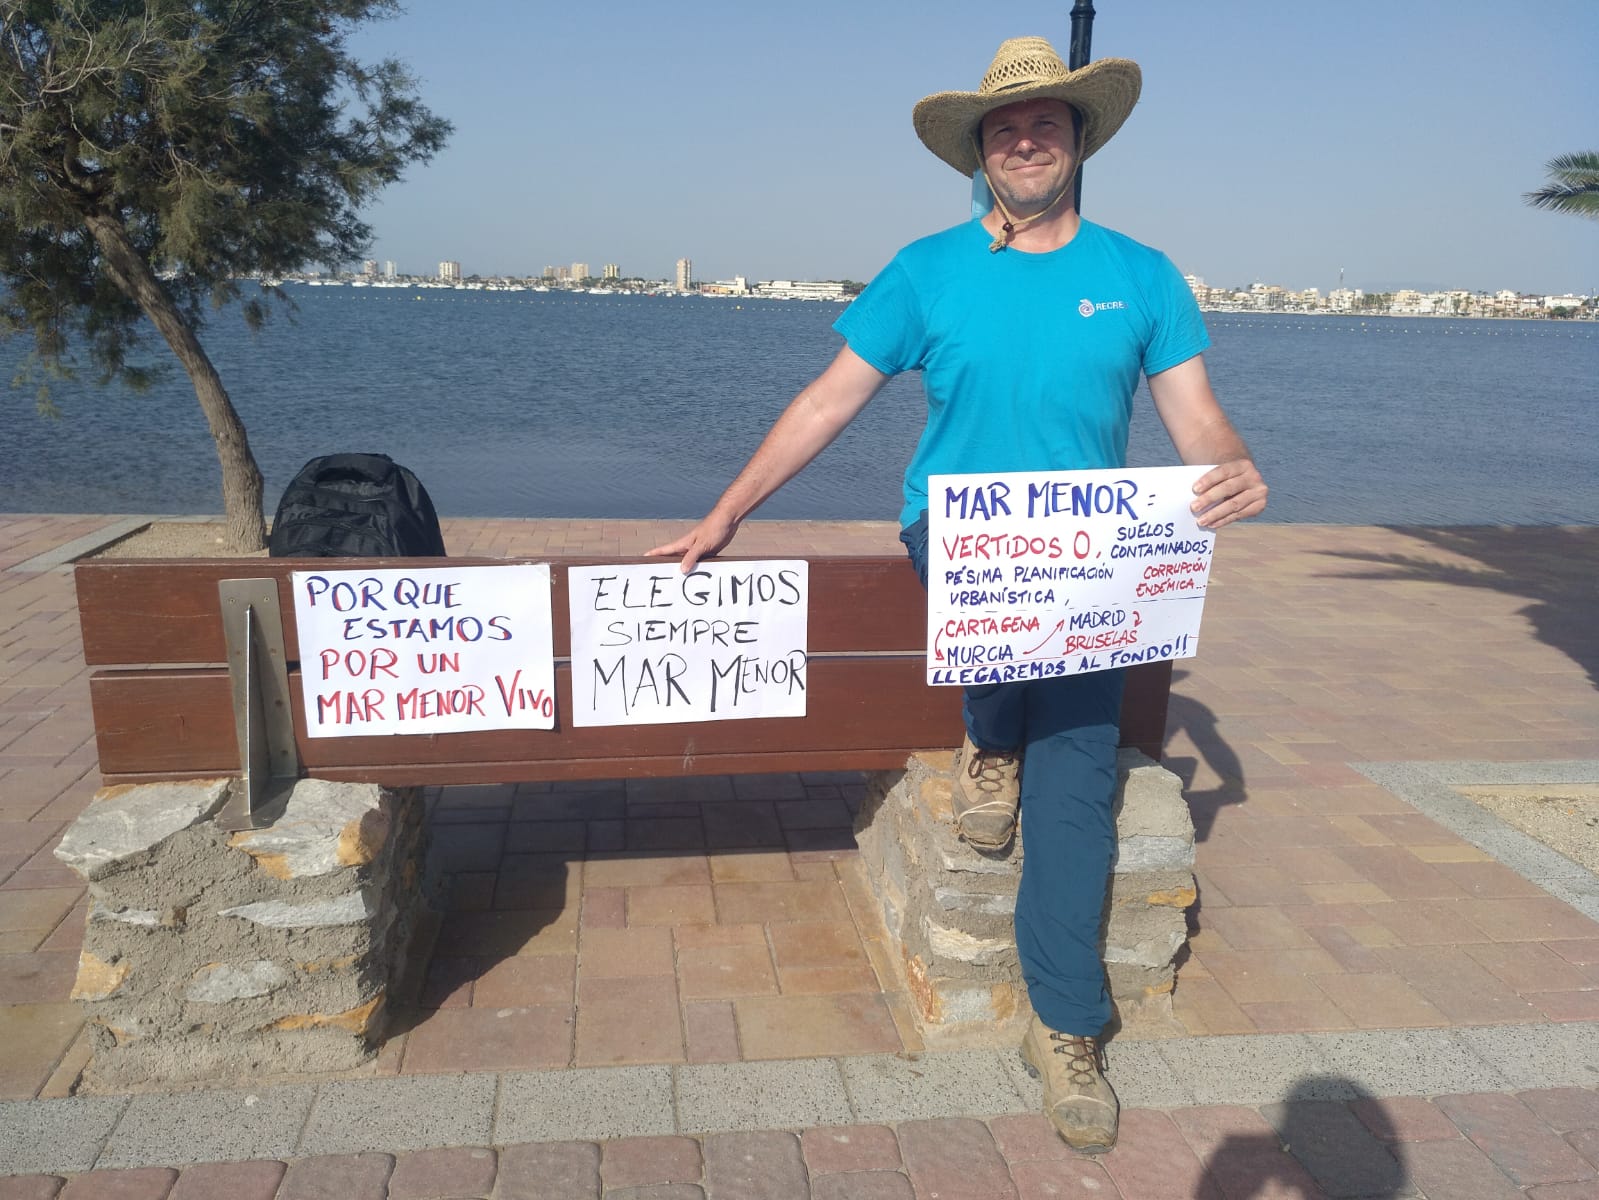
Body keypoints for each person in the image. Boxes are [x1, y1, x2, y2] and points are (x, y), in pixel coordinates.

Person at [650, 35, 1267, 1154]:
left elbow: (1195, 418)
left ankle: (1066, 1028)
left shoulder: (1142, 275)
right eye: (1003, 127)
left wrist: (1230, 467)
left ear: (1080, 141)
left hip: (1088, 560)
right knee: (1012, 691)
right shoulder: (926, 270)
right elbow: (829, 401)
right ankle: (989, 737)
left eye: (1045, 122)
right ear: (979, 153)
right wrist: (729, 509)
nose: (1024, 139)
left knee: (1077, 779)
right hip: (962, 540)